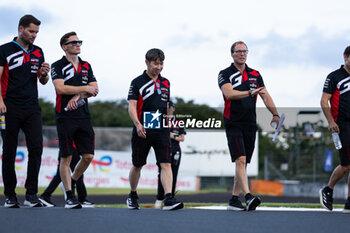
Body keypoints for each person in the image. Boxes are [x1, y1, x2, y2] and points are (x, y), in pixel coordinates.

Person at [218, 41, 280, 211]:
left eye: (245, 51)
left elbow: (265, 96)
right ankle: (248, 196)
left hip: (250, 123)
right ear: (232, 54)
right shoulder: (225, 73)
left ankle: (233, 199)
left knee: (243, 164)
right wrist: (249, 92)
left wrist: (274, 114)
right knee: (240, 159)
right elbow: (229, 94)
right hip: (233, 122)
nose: (242, 54)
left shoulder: (255, 74)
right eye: (238, 52)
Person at [0, 15, 49, 208]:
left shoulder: (38, 51)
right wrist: (0, 102)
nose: (34, 35)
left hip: (32, 108)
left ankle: (31, 194)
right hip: (8, 107)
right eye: (31, 31)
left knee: (36, 148)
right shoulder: (5, 50)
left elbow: (42, 80)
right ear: (21, 29)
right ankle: (10, 195)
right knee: (9, 151)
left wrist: (44, 74)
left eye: (36, 32)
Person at [127, 48, 184, 210]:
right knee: (138, 164)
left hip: (161, 129)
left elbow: (166, 107)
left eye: (161, 64)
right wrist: (138, 124)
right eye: (155, 64)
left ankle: (168, 198)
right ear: (147, 62)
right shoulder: (137, 81)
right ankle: (132, 194)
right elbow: (132, 106)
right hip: (143, 128)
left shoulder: (166, 82)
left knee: (165, 163)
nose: (158, 67)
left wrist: (169, 123)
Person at [51, 31, 98, 209]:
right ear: (64, 47)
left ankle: (70, 181)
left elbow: (94, 89)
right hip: (65, 116)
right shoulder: (58, 65)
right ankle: (70, 196)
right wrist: (84, 88)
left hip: (83, 116)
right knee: (66, 157)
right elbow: (60, 88)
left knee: (88, 156)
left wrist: (78, 95)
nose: (78, 44)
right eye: (74, 42)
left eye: (79, 42)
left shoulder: (86, 65)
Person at [319, 45, 350, 213]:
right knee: (346, 164)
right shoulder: (334, 77)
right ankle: (328, 189)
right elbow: (324, 101)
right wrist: (331, 122)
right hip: (341, 125)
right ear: (346, 57)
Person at [154, 101, 186, 208]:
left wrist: (172, 136)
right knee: (161, 174)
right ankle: (159, 198)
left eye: (169, 108)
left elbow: (182, 138)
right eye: (166, 108)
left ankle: (170, 197)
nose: (168, 110)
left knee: (174, 175)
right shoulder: (160, 120)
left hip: (175, 151)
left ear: (173, 109)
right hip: (163, 150)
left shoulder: (179, 122)